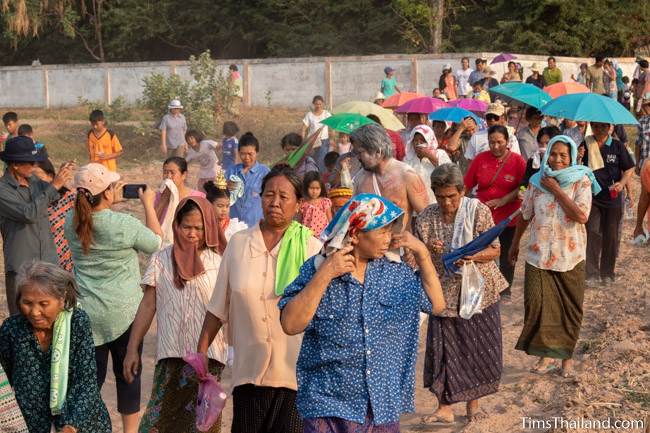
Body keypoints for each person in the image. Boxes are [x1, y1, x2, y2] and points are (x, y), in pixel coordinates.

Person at [279, 193, 446, 430]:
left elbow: (437, 305)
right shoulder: (318, 267)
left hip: (380, 406)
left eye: (391, 230)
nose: (389, 238)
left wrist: (422, 254)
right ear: (356, 234)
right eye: (383, 231)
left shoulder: (395, 274)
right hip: (327, 404)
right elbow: (290, 324)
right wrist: (326, 274)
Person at [198, 165, 322, 433]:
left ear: (299, 204)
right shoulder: (239, 244)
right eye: (269, 195)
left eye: (283, 196)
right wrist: (201, 354)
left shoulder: (312, 249)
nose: (275, 202)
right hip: (248, 374)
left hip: (296, 376)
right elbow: (218, 306)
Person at [64, 163, 162, 433]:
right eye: (112, 186)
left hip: (87, 315)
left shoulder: (71, 223)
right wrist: (148, 204)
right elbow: (156, 242)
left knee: (89, 382)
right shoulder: (123, 224)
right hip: (125, 313)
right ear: (107, 193)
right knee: (128, 374)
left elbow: (94, 223)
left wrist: (107, 206)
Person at [123, 197, 228, 433]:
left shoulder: (221, 262)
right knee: (159, 423)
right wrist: (132, 348)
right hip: (171, 356)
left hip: (208, 361)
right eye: (186, 227)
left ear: (209, 228)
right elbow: (148, 305)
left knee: (202, 425)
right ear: (176, 225)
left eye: (198, 228)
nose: (192, 234)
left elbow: (228, 308)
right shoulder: (161, 259)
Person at [414, 163, 506, 424]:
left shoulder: (477, 211)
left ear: (462, 192)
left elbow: (495, 249)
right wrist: (429, 249)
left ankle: (472, 405)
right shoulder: (426, 218)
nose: (446, 203)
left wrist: (471, 257)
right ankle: (444, 407)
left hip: (476, 292)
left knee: (474, 347)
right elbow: (419, 255)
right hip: (442, 294)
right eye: (440, 197)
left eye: (452, 197)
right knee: (443, 348)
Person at [509, 135, 598, 377]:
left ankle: (566, 358)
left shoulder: (581, 180)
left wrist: (557, 190)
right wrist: (515, 244)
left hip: (570, 257)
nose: (557, 159)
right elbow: (525, 215)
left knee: (569, 308)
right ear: (547, 154)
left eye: (563, 155)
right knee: (537, 305)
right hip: (538, 255)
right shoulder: (537, 181)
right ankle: (545, 355)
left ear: (571, 157)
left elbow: (581, 216)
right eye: (554, 154)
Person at [0, 261, 111, 433]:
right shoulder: (12, 329)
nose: (34, 312)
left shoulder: (77, 323)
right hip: (31, 424)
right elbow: (3, 381)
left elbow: (86, 382)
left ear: (62, 299)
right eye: (27, 303)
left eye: (43, 304)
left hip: (79, 423)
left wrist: (70, 426)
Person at [0, 136, 74, 315]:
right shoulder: (3, 190)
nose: (34, 166)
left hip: (48, 264)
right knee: (22, 321)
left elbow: (55, 195)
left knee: (52, 317)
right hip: (21, 267)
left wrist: (62, 176)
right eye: (30, 162)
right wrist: (54, 185)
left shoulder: (34, 182)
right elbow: (29, 213)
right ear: (15, 165)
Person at [464, 125, 526, 298]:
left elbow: (524, 185)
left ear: (507, 142)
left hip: (509, 217)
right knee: (481, 252)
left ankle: (505, 290)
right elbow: (467, 184)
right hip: (483, 216)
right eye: (492, 142)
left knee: (507, 253)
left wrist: (504, 200)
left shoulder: (517, 161)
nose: (496, 146)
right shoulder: (480, 159)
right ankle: (483, 288)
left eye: (500, 142)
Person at [579, 122, 634, 284]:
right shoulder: (586, 144)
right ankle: (592, 273)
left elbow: (629, 168)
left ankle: (607, 272)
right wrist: (578, 157)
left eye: (603, 126)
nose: (600, 130)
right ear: (592, 127)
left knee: (611, 236)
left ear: (610, 127)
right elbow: (577, 167)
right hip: (592, 197)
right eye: (596, 126)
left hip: (613, 198)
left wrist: (622, 183)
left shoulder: (617, 146)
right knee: (592, 233)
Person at [351, 124, 429, 232]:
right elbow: (353, 217)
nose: (358, 157)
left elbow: (426, 217)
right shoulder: (360, 179)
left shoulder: (406, 175)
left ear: (377, 150)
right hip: (370, 247)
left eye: (360, 152)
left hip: (398, 245)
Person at [32, 158, 76, 272]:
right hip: (40, 267)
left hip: (68, 265)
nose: (34, 183)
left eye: (38, 178)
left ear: (52, 176)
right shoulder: (30, 205)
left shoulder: (68, 198)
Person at [155, 157, 206, 246]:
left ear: (184, 175)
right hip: (164, 245)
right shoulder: (158, 196)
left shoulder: (198, 197)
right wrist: (164, 199)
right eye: (165, 172)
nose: (168, 177)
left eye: (172, 173)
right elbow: (153, 222)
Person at [226, 132, 271, 228]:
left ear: (257, 153)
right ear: (238, 153)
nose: (246, 158)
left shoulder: (265, 172)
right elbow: (221, 194)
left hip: (256, 224)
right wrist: (226, 187)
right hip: (234, 223)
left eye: (250, 154)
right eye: (243, 154)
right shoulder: (231, 171)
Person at [405, 124, 452, 203]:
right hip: (415, 202)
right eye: (415, 141)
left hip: (436, 201)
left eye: (422, 141)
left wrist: (429, 155)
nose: (418, 143)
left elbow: (448, 172)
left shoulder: (440, 154)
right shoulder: (408, 159)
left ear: (429, 140)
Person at [632, 95, 650, 245]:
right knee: (645, 196)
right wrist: (637, 163)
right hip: (646, 166)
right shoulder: (642, 122)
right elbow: (638, 144)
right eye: (647, 105)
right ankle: (638, 227)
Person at [301, 95, 332, 171]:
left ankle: (320, 178)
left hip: (323, 141)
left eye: (320, 104)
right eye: (316, 104)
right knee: (311, 160)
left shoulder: (326, 114)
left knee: (321, 161)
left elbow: (331, 126)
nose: (318, 106)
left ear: (323, 104)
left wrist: (332, 138)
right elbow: (304, 129)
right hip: (311, 141)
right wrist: (303, 140)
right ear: (313, 104)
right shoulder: (309, 115)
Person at [299, 171, 332, 237]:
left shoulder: (324, 202)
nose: (314, 191)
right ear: (306, 187)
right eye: (311, 188)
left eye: (317, 188)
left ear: (321, 188)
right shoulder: (303, 204)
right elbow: (299, 220)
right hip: (306, 236)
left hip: (322, 236)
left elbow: (330, 219)